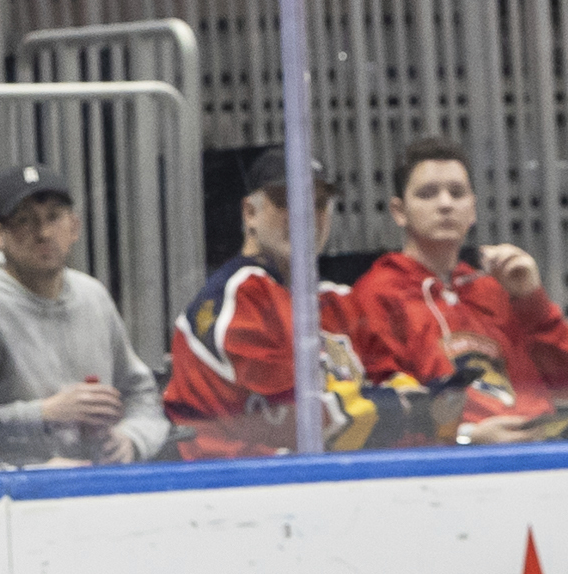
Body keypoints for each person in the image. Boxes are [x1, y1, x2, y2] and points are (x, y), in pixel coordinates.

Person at [162, 155, 423, 460]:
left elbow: (394, 378)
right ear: (250, 213)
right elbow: (295, 415)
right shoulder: (238, 294)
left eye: (320, 203)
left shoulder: (338, 302)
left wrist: (415, 404)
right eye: (286, 200)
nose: (306, 213)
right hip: (232, 484)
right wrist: (398, 409)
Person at [341, 136, 568, 444]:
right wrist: (468, 437)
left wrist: (531, 299)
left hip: (537, 455)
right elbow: (387, 411)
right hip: (450, 470)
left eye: (457, 193)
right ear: (399, 211)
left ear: (472, 208)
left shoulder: (493, 288)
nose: (445, 204)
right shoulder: (374, 296)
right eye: (428, 194)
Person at [0, 167, 164, 465]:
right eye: (25, 220)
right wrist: (45, 414)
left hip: (97, 488)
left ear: (74, 227)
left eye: (54, 217)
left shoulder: (94, 297)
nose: (44, 233)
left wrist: (132, 438)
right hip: (14, 498)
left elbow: (140, 393)